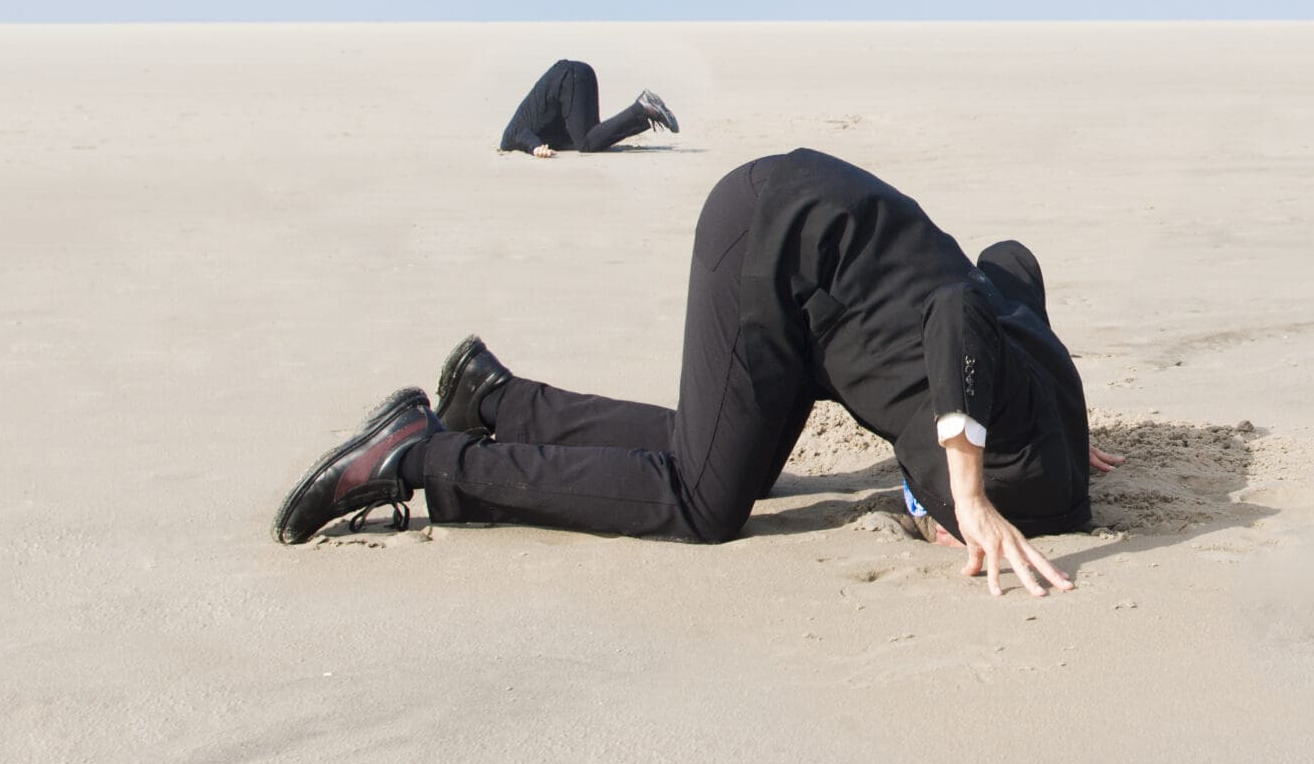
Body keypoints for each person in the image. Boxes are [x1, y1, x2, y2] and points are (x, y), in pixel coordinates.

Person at [273, 149, 1118, 597]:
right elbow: (957, 317)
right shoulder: (1016, 461)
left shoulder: (1046, 418)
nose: (950, 539)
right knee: (702, 502)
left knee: (719, 452)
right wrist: (969, 492)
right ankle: (416, 457)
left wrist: (1057, 429)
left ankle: (492, 398)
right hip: (769, 248)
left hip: (810, 240)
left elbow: (1006, 263)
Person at [498, 59, 679, 157]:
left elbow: (516, 133)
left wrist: (535, 148)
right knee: (595, 136)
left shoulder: (510, 138)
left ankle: (643, 108)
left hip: (568, 79)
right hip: (579, 74)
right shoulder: (547, 131)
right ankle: (647, 113)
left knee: (587, 144)